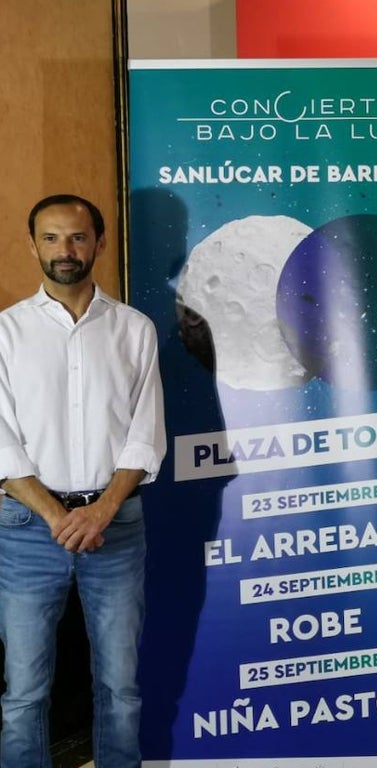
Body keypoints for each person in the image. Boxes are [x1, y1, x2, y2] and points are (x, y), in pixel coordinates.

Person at [0, 194, 166, 768]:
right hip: (25, 531)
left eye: (76, 237)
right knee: (23, 693)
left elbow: (145, 437)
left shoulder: (135, 329)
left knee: (121, 687)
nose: (64, 250)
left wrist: (100, 511)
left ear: (99, 242)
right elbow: (1, 444)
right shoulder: (7, 333)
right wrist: (57, 516)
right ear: (32, 245)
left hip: (115, 526)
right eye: (50, 238)